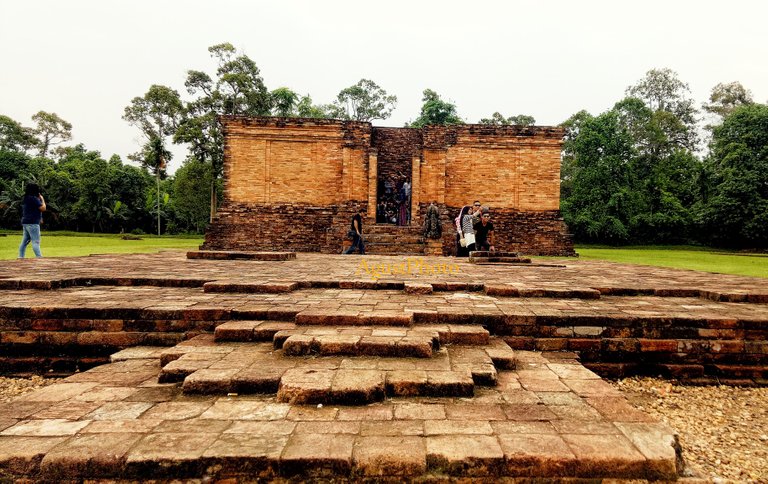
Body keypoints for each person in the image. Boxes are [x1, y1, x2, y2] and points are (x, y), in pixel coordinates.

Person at [18, 183, 46, 259]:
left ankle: (20, 257)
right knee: (36, 241)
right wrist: (42, 199)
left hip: (26, 222)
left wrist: (40, 218)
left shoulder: (26, 198)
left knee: (24, 241)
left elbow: (33, 210)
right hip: (33, 222)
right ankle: (39, 257)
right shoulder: (33, 198)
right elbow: (43, 208)